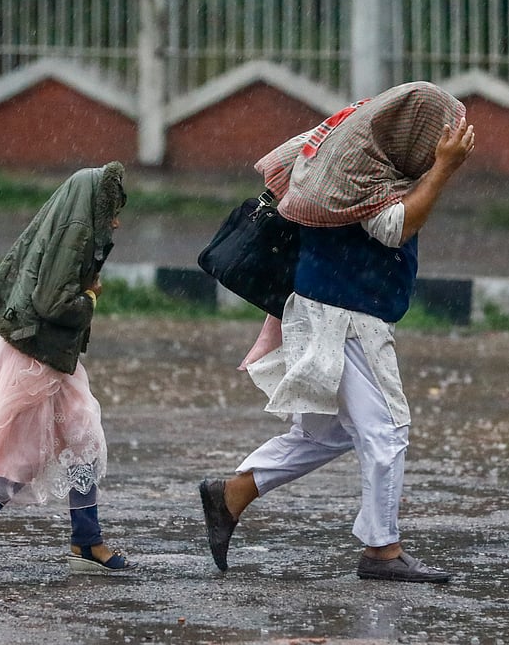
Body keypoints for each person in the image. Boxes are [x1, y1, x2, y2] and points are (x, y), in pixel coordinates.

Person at [199, 81, 474, 582]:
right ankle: (381, 552)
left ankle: (231, 494)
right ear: (411, 133)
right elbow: (394, 227)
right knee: (386, 430)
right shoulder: (359, 165)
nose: (439, 146)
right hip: (347, 316)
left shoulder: (351, 145)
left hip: (325, 307)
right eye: (434, 137)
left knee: (324, 434)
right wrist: (443, 170)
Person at [0, 161, 133, 575]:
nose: (115, 222)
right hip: (35, 356)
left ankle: (86, 540)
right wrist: (91, 298)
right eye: (112, 210)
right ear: (96, 204)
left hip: (50, 354)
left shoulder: (69, 225)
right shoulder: (75, 233)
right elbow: (50, 303)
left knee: (83, 437)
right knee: (23, 455)